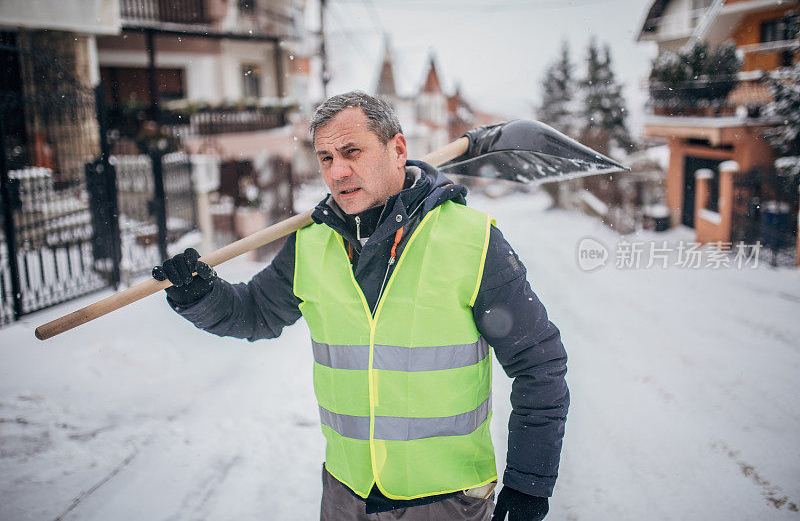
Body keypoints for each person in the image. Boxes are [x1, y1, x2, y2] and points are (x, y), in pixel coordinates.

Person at [153, 91, 569, 521]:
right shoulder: (311, 244)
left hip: (446, 502)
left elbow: (538, 362)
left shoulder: (471, 239)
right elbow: (256, 312)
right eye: (326, 158)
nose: (338, 171)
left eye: (352, 152)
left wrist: (528, 486)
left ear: (398, 150)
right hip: (345, 497)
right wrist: (199, 294)